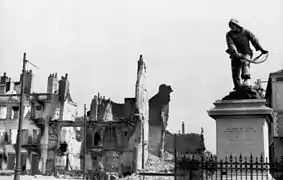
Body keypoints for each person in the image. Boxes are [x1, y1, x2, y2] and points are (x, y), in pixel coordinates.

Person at [226, 19, 268, 90]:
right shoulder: (229, 34)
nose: (232, 27)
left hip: (246, 52)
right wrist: (235, 52)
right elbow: (231, 44)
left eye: (233, 25)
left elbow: (254, 40)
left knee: (245, 64)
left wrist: (261, 49)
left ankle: (245, 81)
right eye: (231, 26)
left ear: (237, 25)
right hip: (235, 54)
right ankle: (237, 86)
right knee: (235, 71)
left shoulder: (245, 32)